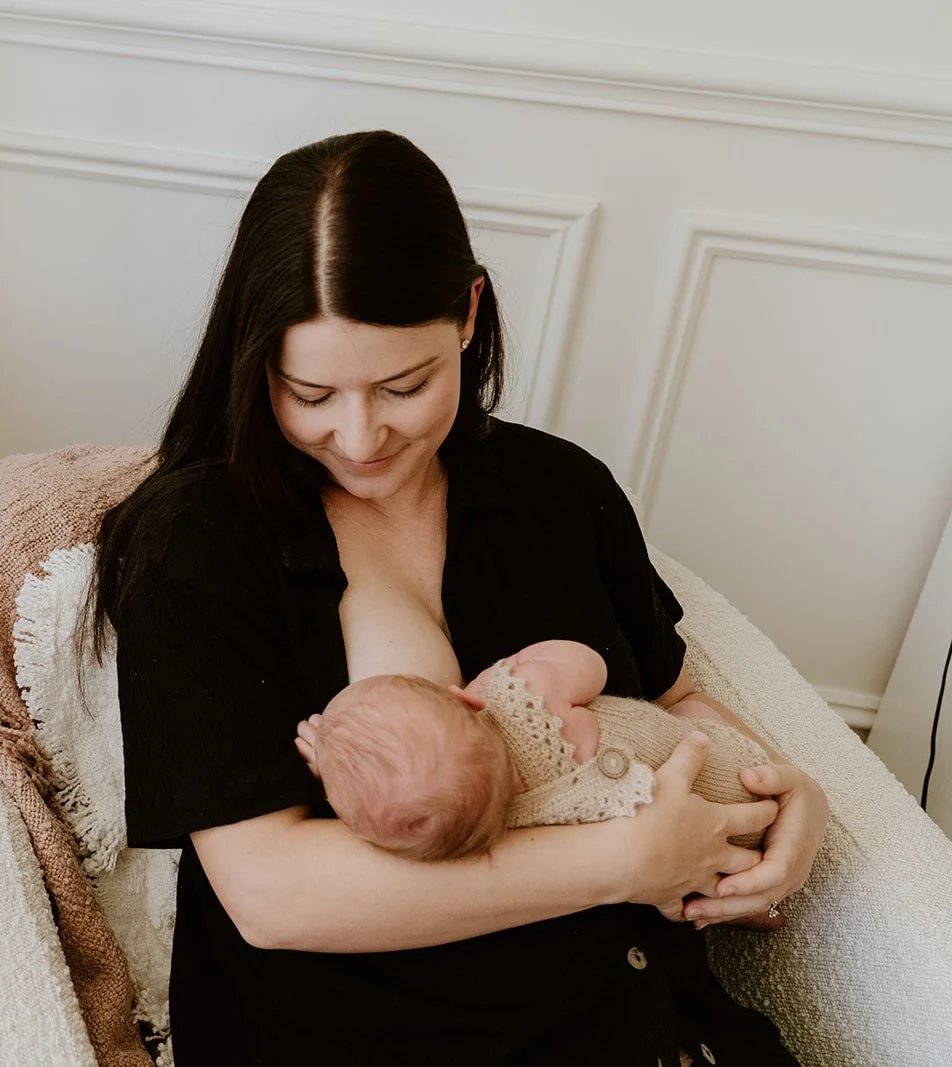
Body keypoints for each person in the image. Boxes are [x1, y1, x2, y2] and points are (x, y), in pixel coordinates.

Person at [92, 130, 828, 1065]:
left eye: (404, 384)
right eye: (309, 391)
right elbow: (271, 892)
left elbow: (674, 701)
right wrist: (623, 864)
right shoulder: (195, 542)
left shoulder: (563, 491)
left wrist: (793, 795)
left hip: (647, 1020)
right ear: (254, 360)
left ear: (470, 313)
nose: (359, 437)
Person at [295, 639, 774, 864]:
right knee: (687, 729)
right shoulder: (524, 696)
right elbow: (591, 666)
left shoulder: (513, 824)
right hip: (732, 768)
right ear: (463, 696)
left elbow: (402, 800)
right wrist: (521, 665)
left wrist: (340, 776)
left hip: (711, 850)